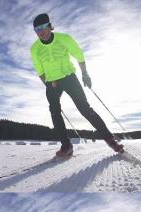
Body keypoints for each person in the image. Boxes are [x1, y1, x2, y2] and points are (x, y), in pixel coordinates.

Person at [30, 13, 124, 157]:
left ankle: (111, 140)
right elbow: (40, 70)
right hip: (52, 82)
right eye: (37, 30)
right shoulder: (34, 48)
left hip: (69, 78)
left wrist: (85, 74)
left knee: (85, 109)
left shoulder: (64, 38)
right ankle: (66, 146)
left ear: (49, 26)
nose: (41, 32)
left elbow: (79, 55)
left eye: (43, 27)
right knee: (55, 112)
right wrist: (47, 85)